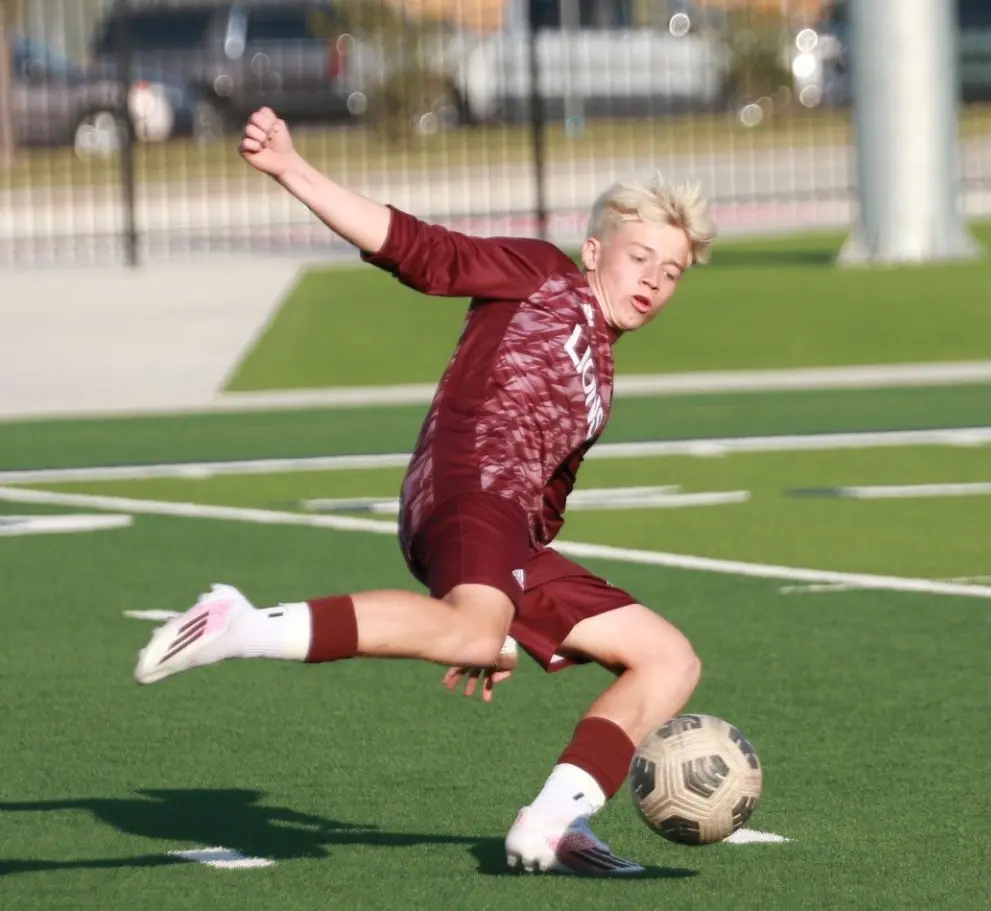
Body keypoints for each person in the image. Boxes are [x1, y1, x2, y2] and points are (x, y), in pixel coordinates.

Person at [133, 107, 718, 876]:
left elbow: (542, 513)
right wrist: (292, 169)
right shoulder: (542, 273)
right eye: (641, 257)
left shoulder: (601, 379)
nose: (653, 280)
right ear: (594, 250)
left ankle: (551, 823)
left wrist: (500, 611)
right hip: (465, 479)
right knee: (474, 629)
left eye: (671, 272)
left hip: (505, 528)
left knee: (667, 658)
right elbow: (420, 252)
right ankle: (242, 623)